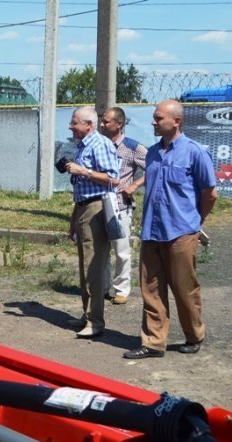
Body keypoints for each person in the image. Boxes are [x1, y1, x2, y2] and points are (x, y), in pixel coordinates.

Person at [123, 100, 218, 359]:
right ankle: (153, 342)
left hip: (181, 233)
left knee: (184, 288)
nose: (153, 122)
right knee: (151, 289)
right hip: (152, 231)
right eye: (154, 118)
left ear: (176, 121)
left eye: (158, 118)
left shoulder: (195, 152)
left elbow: (210, 194)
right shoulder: (153, 153)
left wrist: (195, 222)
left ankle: (194, 335)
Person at [64, 106, 120, 339]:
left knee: (92, 266)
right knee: (84, 265)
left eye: (74, 122)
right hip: (83, 207)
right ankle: (87, 314)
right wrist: (74, 218)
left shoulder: (100, 144)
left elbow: (113, 179)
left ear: (88, 125)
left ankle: (95, 321)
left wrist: (84, 171)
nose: (70, 126)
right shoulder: (83, 146)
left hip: (96, 208)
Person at [99, 107, 146, 305]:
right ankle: (101, 288)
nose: (102, 124)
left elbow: (155, 167)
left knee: (121, 250)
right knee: (100, 251)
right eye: (102, 120)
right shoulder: (98, 144)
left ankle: (121, 290)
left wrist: (134, 185)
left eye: (106, 121)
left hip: (120, 206)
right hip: (98, 204)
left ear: (119, 124)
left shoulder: (132, 147)